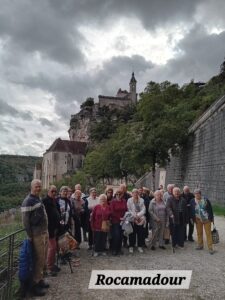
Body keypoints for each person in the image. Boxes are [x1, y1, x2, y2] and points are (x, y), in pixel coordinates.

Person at [21, 179, 49, 297]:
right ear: (31, 187)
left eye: (40, 186)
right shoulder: (28, 201)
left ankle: (40, 279)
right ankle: (34, 286)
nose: (38, 188)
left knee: (43, 258)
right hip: (36, 234)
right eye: (36, 186)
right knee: (38, 259)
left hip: (44, 232)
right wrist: (29, 235)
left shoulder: (37, 199)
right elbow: (25, 221)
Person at [42, 185, 61, 277]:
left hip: (55, 228)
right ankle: (49, 268)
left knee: (54, 248)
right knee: (51, 248)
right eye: (52, 191)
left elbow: (57, 213)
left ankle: (52, 265)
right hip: (49, 229)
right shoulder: (45, 201)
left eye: (55, 191)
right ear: (48, 191)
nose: (54, 193)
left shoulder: (55, 201)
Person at [190, 189, 214, 254]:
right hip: (197, 219)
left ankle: (210, 248)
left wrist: (211, 219)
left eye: (198, 193)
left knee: (208, 233)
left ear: (200, 194)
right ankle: (200, 245)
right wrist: (192, 218)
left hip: (206, 219)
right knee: (199, 233)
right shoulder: (192, 201)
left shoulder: (205, 200)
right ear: (194, 194)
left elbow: (210, 210)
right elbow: (191, 210)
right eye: (195, 193)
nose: (197, 195)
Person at [127, 189, 146, 253]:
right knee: (132, 233)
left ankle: (139, 246)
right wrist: (134, 216)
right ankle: (131, 246)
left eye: (136, 193)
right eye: (134, 193)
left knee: (140, 233)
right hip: (132, 218)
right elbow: (128, 209)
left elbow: (143, 209)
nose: (135, 194)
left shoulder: (142, 200)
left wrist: (138, 215)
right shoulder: (129, 200)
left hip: (140, 218)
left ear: (138, 193)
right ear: (132, 194)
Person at [110, 190, 127, 255]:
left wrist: (125, 217)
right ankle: (114, 249)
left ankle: (119, 249)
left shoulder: (124, 201)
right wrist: (119, 218)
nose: (119, 195)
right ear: (115, 195)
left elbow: (126, 210)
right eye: (117, 194)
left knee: (121, 235)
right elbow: (112, 212)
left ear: (122, 195)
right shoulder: (113, 202)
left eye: (120, 194)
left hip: (123, 221)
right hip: (115, 221)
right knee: (116, 235)